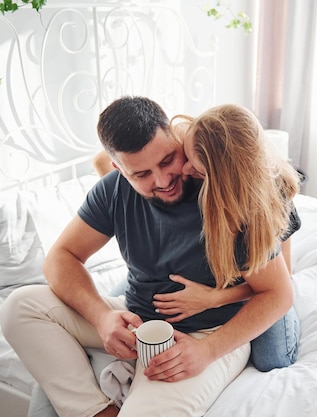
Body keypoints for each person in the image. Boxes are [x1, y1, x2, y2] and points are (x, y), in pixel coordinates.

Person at [0, 96, 301, 417]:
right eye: (141, 174)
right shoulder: (114, 188)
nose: (162, 180)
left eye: (168, 160)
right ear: (119, 169)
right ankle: (97, 411)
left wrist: (208, 349)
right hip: (138, 321)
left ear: (176, 137)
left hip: (205, 334)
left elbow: (277, 293)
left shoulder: (221, 190)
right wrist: (102, 317)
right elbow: (61, 257)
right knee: (20, 307)